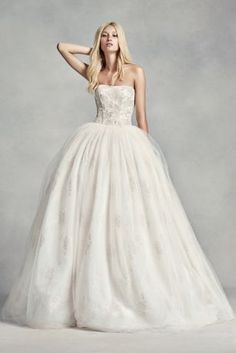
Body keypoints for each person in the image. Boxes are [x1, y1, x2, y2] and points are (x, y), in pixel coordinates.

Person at [1, 21, 235, 333]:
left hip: (128, 142)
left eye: (114, 36)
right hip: (94, 144)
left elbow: (141, 116)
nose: (110, 40)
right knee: (90, 211)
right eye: (105, 36)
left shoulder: (136, 71)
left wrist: (148, 155)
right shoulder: (94, 72)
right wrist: (94, 49)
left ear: (121, 41)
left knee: (130, 212)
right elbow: (61, 47)